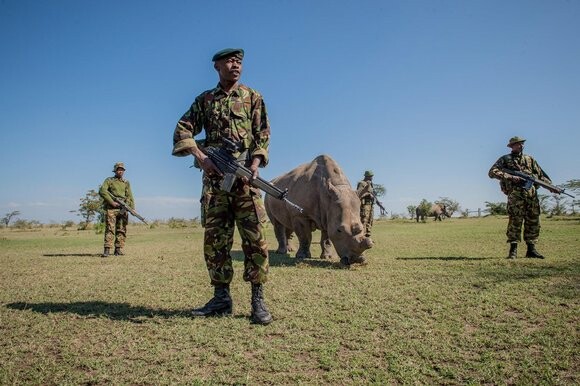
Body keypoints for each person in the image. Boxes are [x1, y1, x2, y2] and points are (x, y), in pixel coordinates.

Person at [171, 48, 273, 325]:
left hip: (246, 183)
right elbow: (182, 129)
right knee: (215, 241)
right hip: (216, 184)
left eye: (239, 61)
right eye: (229, 61)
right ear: (216, 66)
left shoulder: (253, 97)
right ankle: (221, 298)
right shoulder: (205, 100)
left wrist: (255, 162)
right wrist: (202, 158)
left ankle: (257, 300)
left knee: (255, 241)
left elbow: (263, 134)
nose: (235, 64)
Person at [488, 136, 559, 259]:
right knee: (515, 221)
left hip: (531, 195)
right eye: (517, 144)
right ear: (511, 146)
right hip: (515, 196)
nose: (520, 146)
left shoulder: (530, 159)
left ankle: (531, 250)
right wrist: (510, 177)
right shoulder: (505, 159)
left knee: (533, 221)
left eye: (521, 144)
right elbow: (492, 172)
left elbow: (540, 175)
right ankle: (513, 251)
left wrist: (551, 186)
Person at [99, 162, 135, 257]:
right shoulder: (109, 180)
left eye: (122, 170)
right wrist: (111, 202)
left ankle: (118, 250)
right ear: (115, 170)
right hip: (111, 209)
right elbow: (102, 191)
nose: (120, 171)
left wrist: (132, 208)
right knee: (110, 229)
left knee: (122, 229)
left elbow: (130, 196)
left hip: (123, 208)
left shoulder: (126, 182)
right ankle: (107, 250)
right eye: (119, 169)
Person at [357, 170, 375, 237]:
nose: (372, 178)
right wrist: (368, 194)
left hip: (370, 204)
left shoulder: (370, 184)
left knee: (370, 220)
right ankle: (362, 236)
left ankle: (367, 235)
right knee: (364, 220)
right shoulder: (362, 183)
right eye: (371, 176)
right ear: (367, 176)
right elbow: (358, 194)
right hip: (364, 205)